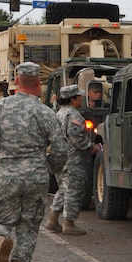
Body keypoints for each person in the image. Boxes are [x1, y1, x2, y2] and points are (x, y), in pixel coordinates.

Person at [0, 61, 67, 262]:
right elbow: (60, 149)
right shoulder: (46, 113)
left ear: (17, 82)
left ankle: (0, 241)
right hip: (36, 177)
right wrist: (48, 168)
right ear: (38, 83)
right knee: (28, 226)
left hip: (6, 175)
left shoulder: (0, 107)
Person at [45, 84, 100, 235]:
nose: (82, 99)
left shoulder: (58, 113)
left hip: (59, 157)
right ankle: (69, 223)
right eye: (79, 96)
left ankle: (53, 219)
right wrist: (92, 148)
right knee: (74, 189)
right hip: (73, 158)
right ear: (73, 99)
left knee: (63, 188)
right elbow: (77, 138)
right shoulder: (74, 116)